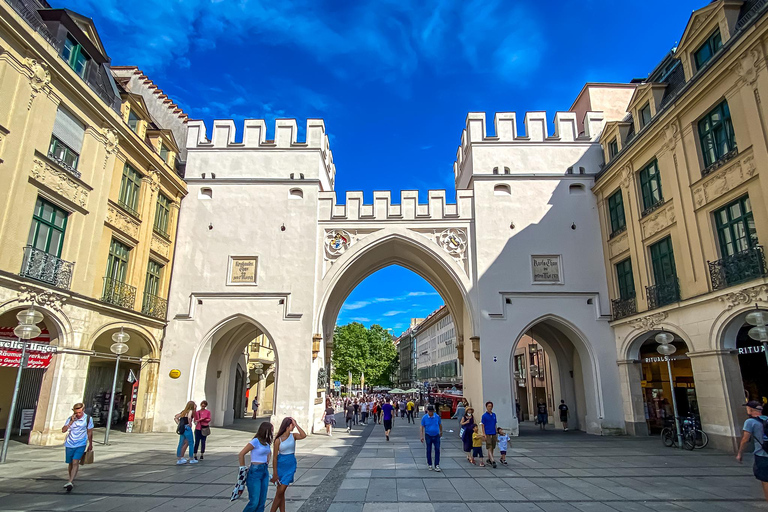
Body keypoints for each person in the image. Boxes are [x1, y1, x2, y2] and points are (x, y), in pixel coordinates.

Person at [270, 417, 307, 512]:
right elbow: (274, 457)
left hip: (290, 464)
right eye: (292, 425)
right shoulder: (278, 440)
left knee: (281, 490)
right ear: (287, 426)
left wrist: (297, 424)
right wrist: (275, 473)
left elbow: (303, 435)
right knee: (280, 492)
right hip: (281, 464)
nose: (293, 427)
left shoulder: (293, 436)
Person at [736, 400, 768, 501]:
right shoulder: (767, 419)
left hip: (762, 455)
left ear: (750, 409)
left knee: (765, 480)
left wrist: (740, 453)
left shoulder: (750, 422)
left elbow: (745, 439)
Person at [238, 422, 273, 512]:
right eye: (271, 430)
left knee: (262, 501)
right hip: (255, 471)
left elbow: (269, 452)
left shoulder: (266, 443)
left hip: (264, 470)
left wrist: (267, 460)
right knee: (254, 501)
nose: (272, 432)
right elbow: (241, 454)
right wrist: (242, 468)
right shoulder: (255, 441)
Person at [61, 402, 93, 492]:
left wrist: (90, 444)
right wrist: (71, 421)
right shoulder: (70, 419)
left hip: (81, 443)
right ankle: (70, 478)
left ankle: (70, 481)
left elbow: (90, 432)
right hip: (69, 443)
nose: (78, 414)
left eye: (80, 412)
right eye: (76, 412)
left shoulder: (88, 419)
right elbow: (63, 430)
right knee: (70, 463)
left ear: (83, 410)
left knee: (75, 462)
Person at [420, 404, 443, 471]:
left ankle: (437, 465)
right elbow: (422, 426)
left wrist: (441, 431)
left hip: (436, 435)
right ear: (427, 411)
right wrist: (421, 436)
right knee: (428, 450)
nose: (430, 413)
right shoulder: (424, 417)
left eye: (432, 411)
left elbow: (440, 424)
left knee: (437, 449)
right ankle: (429, 464)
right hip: (428, 435)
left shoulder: (437, 417)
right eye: (429, 411)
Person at [481, 401, 498, 468]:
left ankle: (489, 458)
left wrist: (496, 432)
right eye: (488, 406)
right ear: (486, 407)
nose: (490, 407)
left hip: (493, 432)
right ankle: (492, 460)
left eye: (491, 406)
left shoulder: (494, 415)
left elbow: (495, 424)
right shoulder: (484, 416)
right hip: (487, 432)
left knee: (493, 446)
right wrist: (484, 434)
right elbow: (482, 425)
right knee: (489, 446)